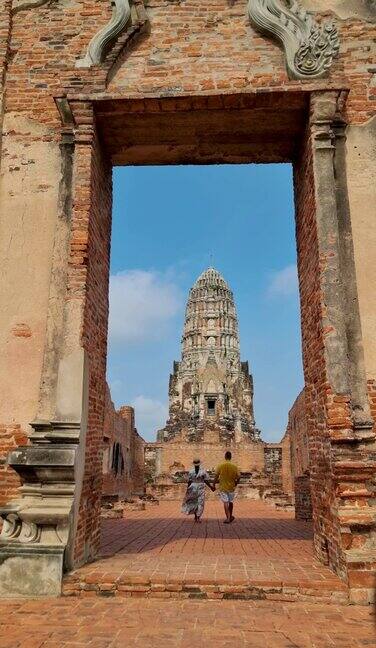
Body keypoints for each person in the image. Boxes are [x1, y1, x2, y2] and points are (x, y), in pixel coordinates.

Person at [181, 458, 215, 523]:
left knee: (200, 502)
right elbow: (190, 481)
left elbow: (205, 480)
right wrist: (188, 489)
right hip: (194, 487)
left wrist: (211, 487)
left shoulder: (202, 471)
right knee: (195, 501)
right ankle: (196, 516)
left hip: (199, 487)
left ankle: (198, 516)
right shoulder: (193, 471)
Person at [214, 451, 240, 524]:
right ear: (230, 457)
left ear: (225, 457)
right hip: (231, 486)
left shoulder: (220, 465)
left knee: (225, 502)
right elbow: (239, 476)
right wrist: (236, 483)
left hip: (223, 486)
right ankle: (230, 516)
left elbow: (216, 476)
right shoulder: (234, 466)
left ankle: (228, 518)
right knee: (231, 502)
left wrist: (213, 485)